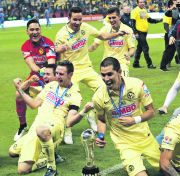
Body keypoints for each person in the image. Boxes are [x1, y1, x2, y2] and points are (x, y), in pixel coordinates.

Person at [9, 61, 92, 176]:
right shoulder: (51, 85)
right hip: (36, 128)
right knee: (12, 152)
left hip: (54, 128)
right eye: (57, 73)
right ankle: (51, 153)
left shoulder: (75, 95)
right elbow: (33, 104)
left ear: (70, 74)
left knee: (23, 169)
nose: (57, 76)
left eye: (61, 74)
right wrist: (20, 89)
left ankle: (51, 167)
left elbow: (69, 122)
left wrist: (84, 111)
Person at [55, 7, 128, 144]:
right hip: (71, 71)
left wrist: (117, 34)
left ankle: (91, 114)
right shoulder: (61, 34)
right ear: (69, 19)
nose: (77, 22)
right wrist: (59, 51)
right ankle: (68, 129)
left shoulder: (86, 27)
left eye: (79, 19)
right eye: (74, 19)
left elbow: (103, 36)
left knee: (104, 89)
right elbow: (58, 58)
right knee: (72, 99)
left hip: (87, 68)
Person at [92, 57, 161, 176]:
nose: (106, 79)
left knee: (168, 169)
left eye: (109, 74)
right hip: (124, 143)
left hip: (144, 137)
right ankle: (133, 171)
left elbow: (151, 111)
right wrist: (100, 136)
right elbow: (101, 119)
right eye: (103, 75)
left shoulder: (137, 85)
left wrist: (134, 120)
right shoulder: (99, 96)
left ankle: (135, 167)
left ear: (119, 71)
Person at [14, 18, 56, 141]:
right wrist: (39, 74)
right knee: (18, 94)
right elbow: (32, 65)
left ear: (40, 30)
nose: (35, 32)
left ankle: (62, 127)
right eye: (31, 30)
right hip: (35, 77)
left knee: (52, 101)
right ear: (27, 32)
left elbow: (51, 63)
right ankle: (23, 125)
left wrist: (46, 75)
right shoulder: (25, 46)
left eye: (37, 29)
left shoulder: (48, 42)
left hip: (51, 77)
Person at [89, 7, 135, 77]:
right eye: (109, 18)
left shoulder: (127, 30)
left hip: (121, 64)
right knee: (106, 86)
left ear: (119, 17)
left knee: (123, 85)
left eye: (114, 17)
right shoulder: (104, 29)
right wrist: (85, 49)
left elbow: (132, 48)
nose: (111, 20)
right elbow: (95, 45)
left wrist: (129, 54)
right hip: (107, 64)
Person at [131, 0, 162, 69]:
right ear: (137, 3)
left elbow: (149, 20)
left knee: (140, 48)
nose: (142, 3)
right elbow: (132, 23)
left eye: (143, 2)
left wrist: (159, 20)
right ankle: (149, 64)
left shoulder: (143, 10)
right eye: (140, 2)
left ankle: (135, 63)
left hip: (144, 32)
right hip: (139, 32)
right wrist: (135, 33)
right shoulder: (135, 11)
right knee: (145, 48)